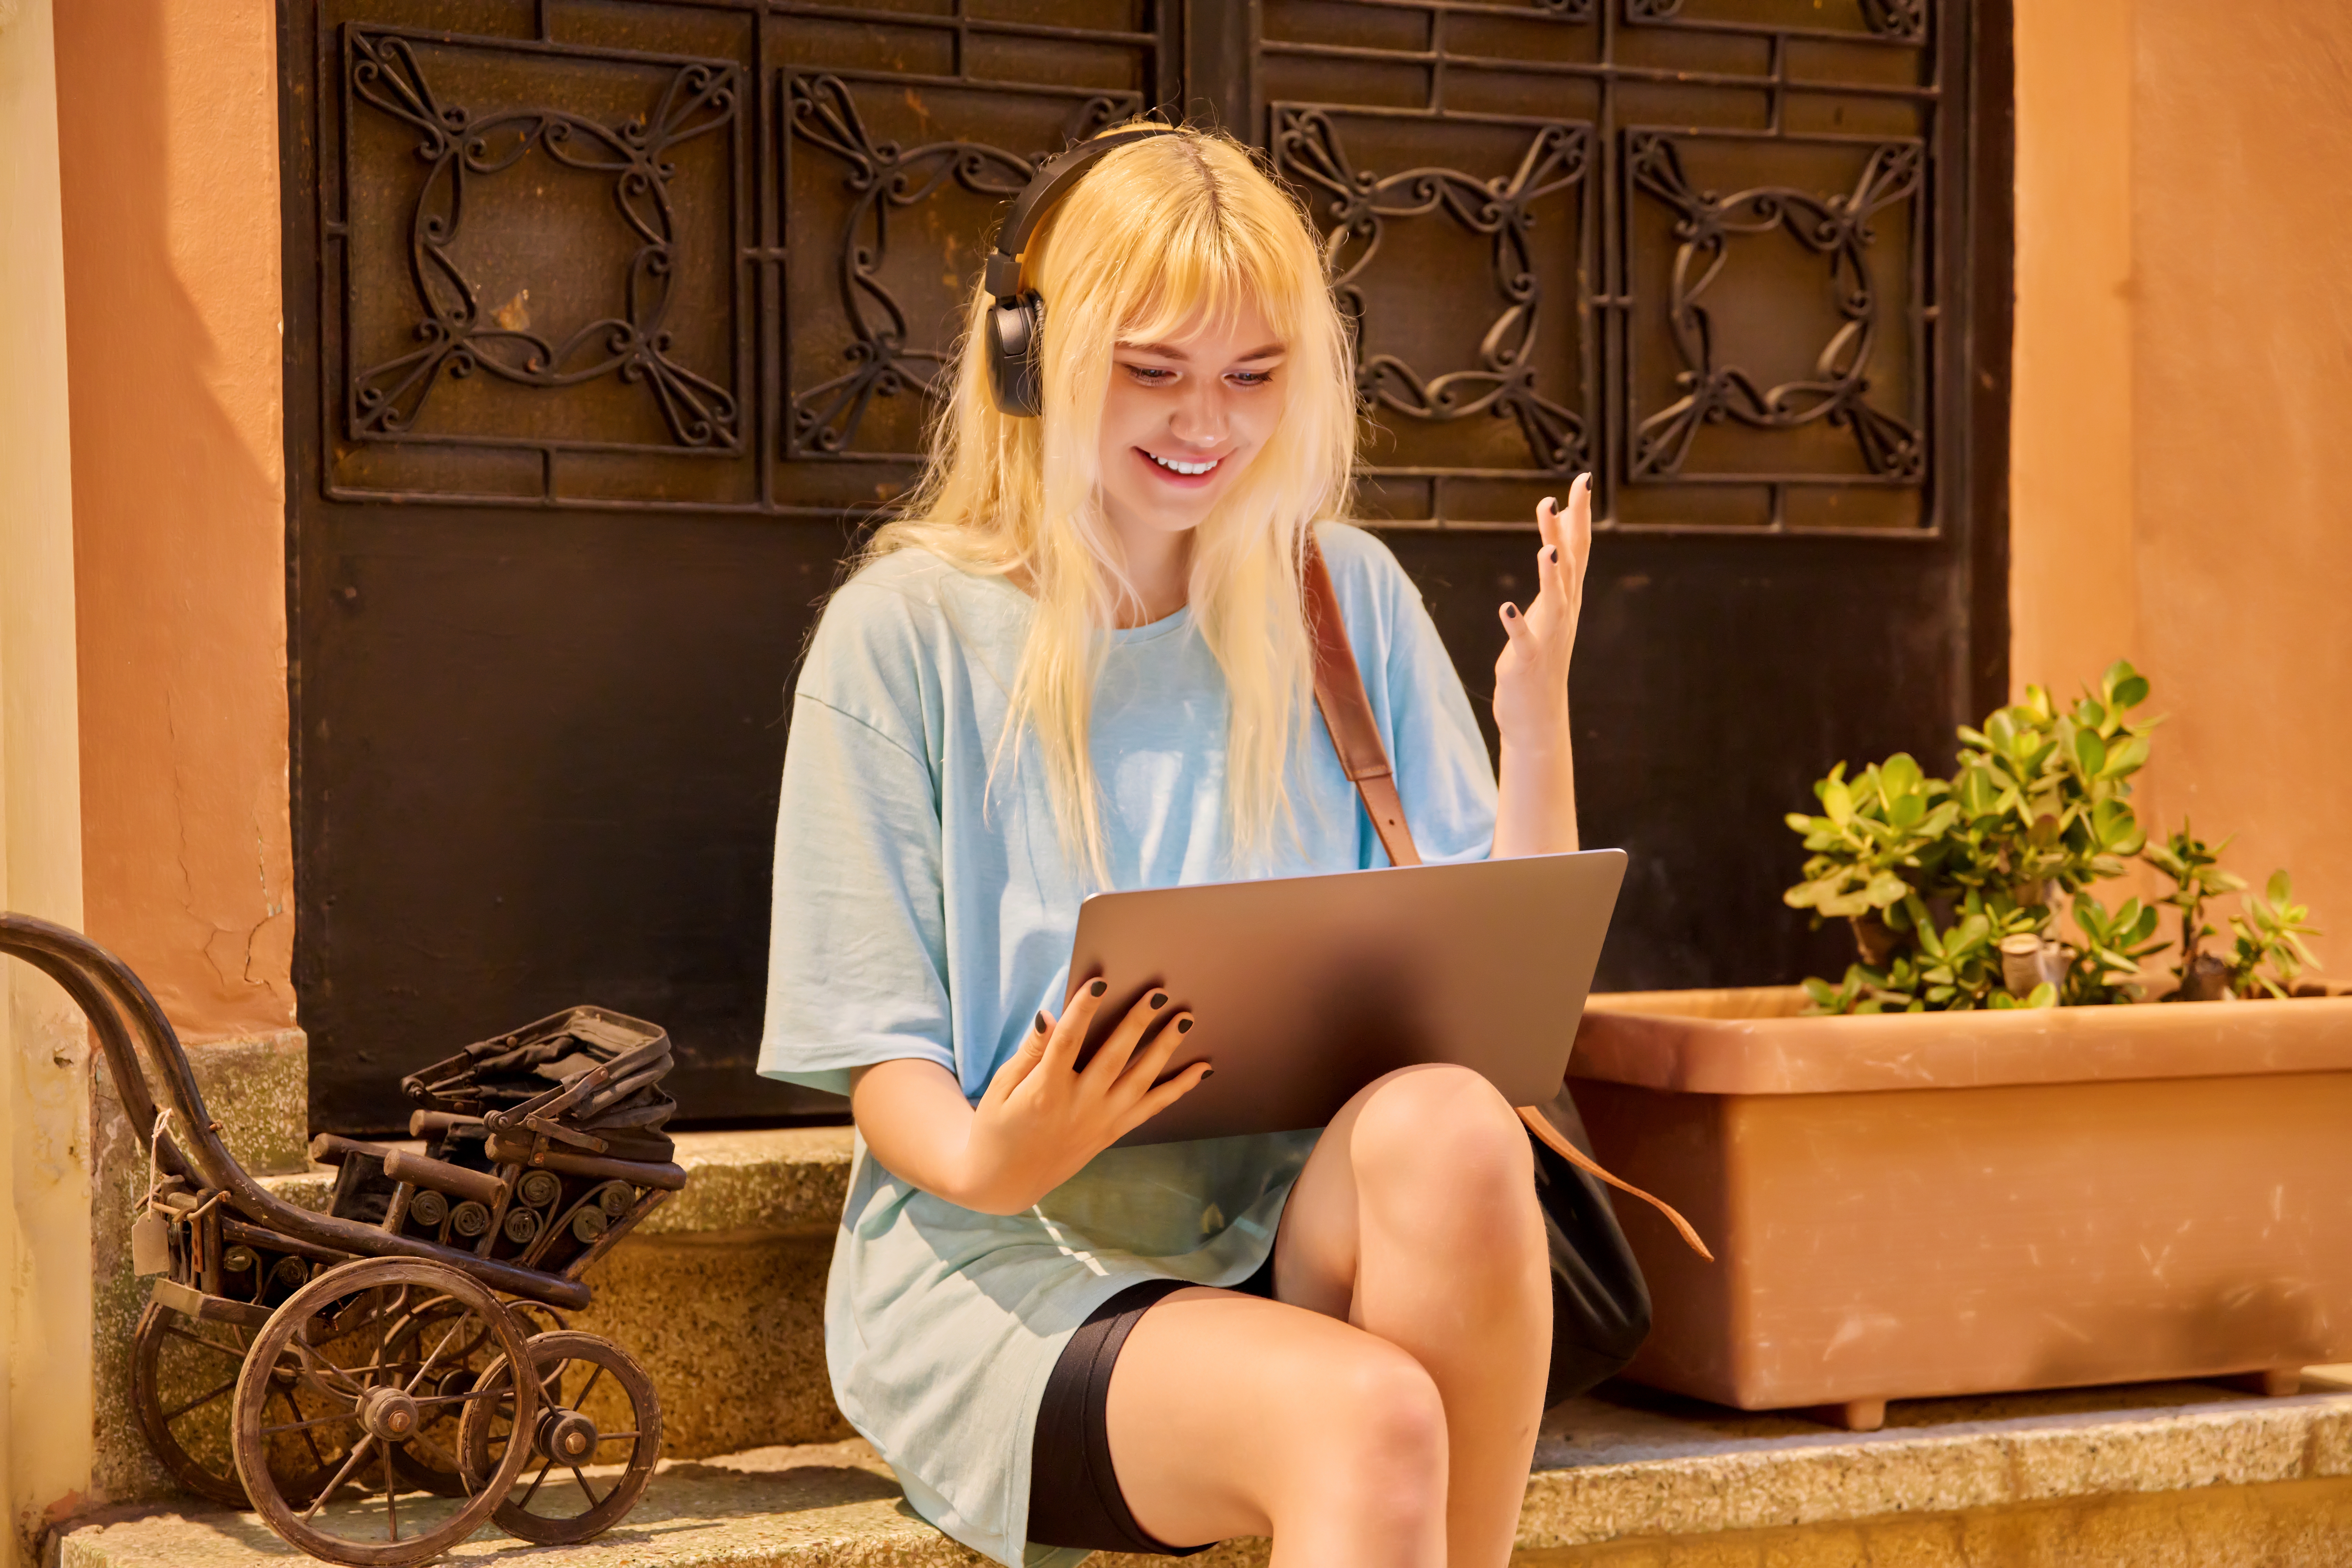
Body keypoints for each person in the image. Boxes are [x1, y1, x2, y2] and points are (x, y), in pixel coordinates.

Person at [759, 121, 1625, 1568]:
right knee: (1369, 1420)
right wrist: (996, 1152)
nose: (1206, 422)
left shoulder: (1341, 594)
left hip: (1290, 1227)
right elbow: (883, 1045)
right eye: (1153, 370)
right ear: (1032, 357)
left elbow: (1508, 1026)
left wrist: (1537, 732)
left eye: (1253, 376)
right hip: (1011, 1263)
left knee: (1457, 1128)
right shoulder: (901, 634)